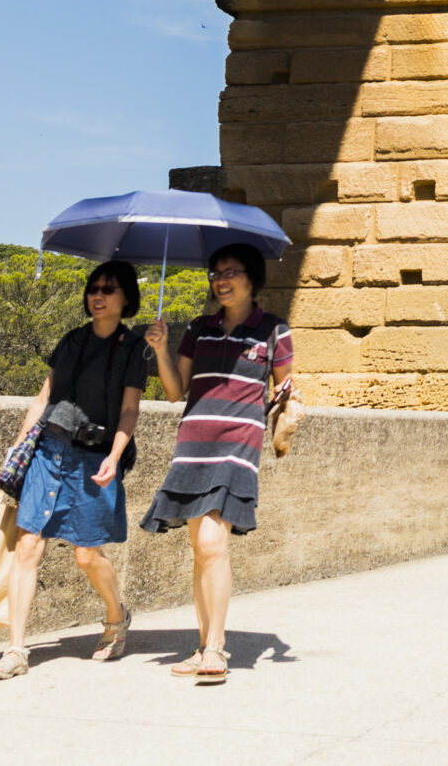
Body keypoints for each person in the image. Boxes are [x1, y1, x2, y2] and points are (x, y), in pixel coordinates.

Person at [0, 260, 151, 680]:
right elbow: (45, 398)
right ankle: (15, 650)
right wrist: (20, 445)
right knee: (28, 546)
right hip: (49, 451)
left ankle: (116, 615)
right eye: (94, 288)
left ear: (126, 298)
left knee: (86, 555)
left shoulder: (134, 348)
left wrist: (115, 455)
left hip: (95, 457)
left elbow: (130, 409)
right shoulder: (72, 340)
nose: (98, 295)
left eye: (109, 289)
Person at [142, 244, 294, 685]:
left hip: (238, 446)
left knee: (211, 543)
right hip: (193, 444)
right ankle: (203, 644)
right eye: (215, 273)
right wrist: (161, 349)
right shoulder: (199, 328)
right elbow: (176, 391)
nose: (220, 280)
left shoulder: (273, 329)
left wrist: (288, 398)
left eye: (231, 272)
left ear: (252, 278)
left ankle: (215, 647)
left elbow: (285, 387)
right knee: (201, 550)